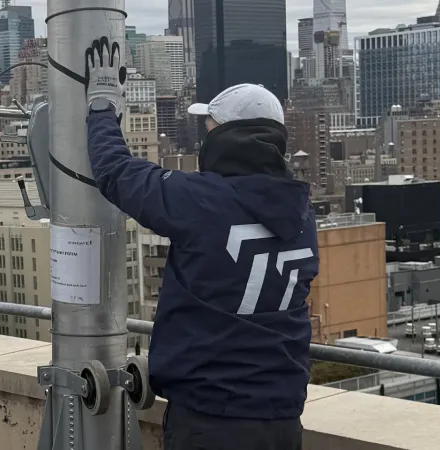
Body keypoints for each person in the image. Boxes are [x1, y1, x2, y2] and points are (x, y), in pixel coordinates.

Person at [82, 38, 319, 450]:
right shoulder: (301, 210)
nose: (203, 136)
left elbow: (115, 172)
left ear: (228, 135)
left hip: (211, 418)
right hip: (282, 418)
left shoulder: (202, 200)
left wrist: (102, 106)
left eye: (208, 128)